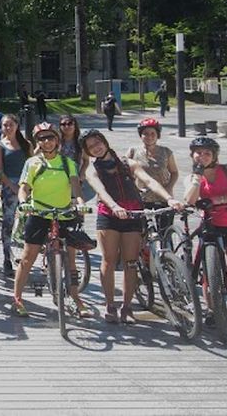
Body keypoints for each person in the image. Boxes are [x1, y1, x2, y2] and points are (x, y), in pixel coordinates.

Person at [82, 130, 181, 324]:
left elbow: (149, 181)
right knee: (109, 260)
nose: (97, 147)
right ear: (88, 151)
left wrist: (169, 198)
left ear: (104, 141)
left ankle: (127, 307)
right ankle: (110, 304)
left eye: (98, 142)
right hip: (109, 215)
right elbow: (100, 190)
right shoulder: (92, 169)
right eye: (91, 146)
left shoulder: (128, 163)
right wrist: (114, 206)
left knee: (130, 262)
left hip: (133, 214)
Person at [11, 122, 90, 319]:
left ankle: (75, 296)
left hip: (63, 213)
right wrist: (23, 202)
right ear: (37, 142)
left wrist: (80, 202)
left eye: (50, 137)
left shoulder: (67, 163)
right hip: (39, 212)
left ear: (57, 140)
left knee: (71, 257)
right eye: (42, 138)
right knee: (28, 256)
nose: (47, 142)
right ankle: (17, 298)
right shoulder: (32, 163)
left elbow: (76, 187)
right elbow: (24, 187)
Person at [183, 136, 227, 329]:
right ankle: (212, 310)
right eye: (199, 153)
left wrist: (216, 200)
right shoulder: (191, 177)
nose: (203, 156)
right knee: (208, 272)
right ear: (192, 155)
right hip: (212, 225)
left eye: (207, 153)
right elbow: (189, 200)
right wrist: (197, 179)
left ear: (214, 155)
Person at [126, 117, 179, 231]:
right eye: (145, 134)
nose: (149, 137)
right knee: (141, 232)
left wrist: (169, 187)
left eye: (152, 133)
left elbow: (174, 172)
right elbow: (125, 172)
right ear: (141, 136)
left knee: (165, 232)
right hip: (141, 198)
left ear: (158, 135)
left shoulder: (166, 152)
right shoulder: (133, 151)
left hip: (163, 197)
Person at [0, 115, 30, 277]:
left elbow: (33, 164)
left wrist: (26, 187)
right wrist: (12, 187)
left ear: (17, 125)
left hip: (27, 186)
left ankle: (28, 256)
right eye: (5, 125)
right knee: (8, 222)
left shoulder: (25, 144)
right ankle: (6, 257)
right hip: (9, 188)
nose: (8, 128)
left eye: (11, 124)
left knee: (30, 221)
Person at [59, 115, 91, 201]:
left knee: (76, 205)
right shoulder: (56, 140)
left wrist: (82, 173)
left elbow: (86, 160)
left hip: (75, 179)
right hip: (58, 177)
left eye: (70, 124)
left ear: (75, 125)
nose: (67, 126)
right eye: (63, 124)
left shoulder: (80, 142)